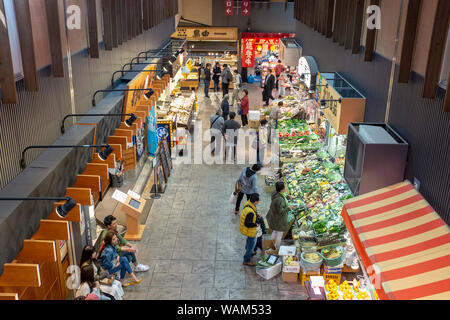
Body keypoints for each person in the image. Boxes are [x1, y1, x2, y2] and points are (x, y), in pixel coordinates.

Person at [266, 181, 290, 249]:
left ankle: (271, 246)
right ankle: (276, 248)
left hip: (273, 217)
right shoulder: (279, 200)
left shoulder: (275, 192)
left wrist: (288, 197)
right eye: (285, 187)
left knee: (274, 231)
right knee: (279, 234)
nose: (286, 188)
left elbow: (282, 196)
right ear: (282, 189)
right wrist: (289, 208)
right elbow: (281, 211)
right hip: (279, 219)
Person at [240, 193, 261, 266]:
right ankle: (246, 260)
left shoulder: (248, 204)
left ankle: (248, 250)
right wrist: (256, 224)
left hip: (248, 230)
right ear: (255, 201)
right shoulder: (250, 213)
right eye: (258, 200)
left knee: (249, 241)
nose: (259, 201)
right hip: (251, 230)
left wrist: (256, 214)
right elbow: (247, 223)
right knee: (251, 245)